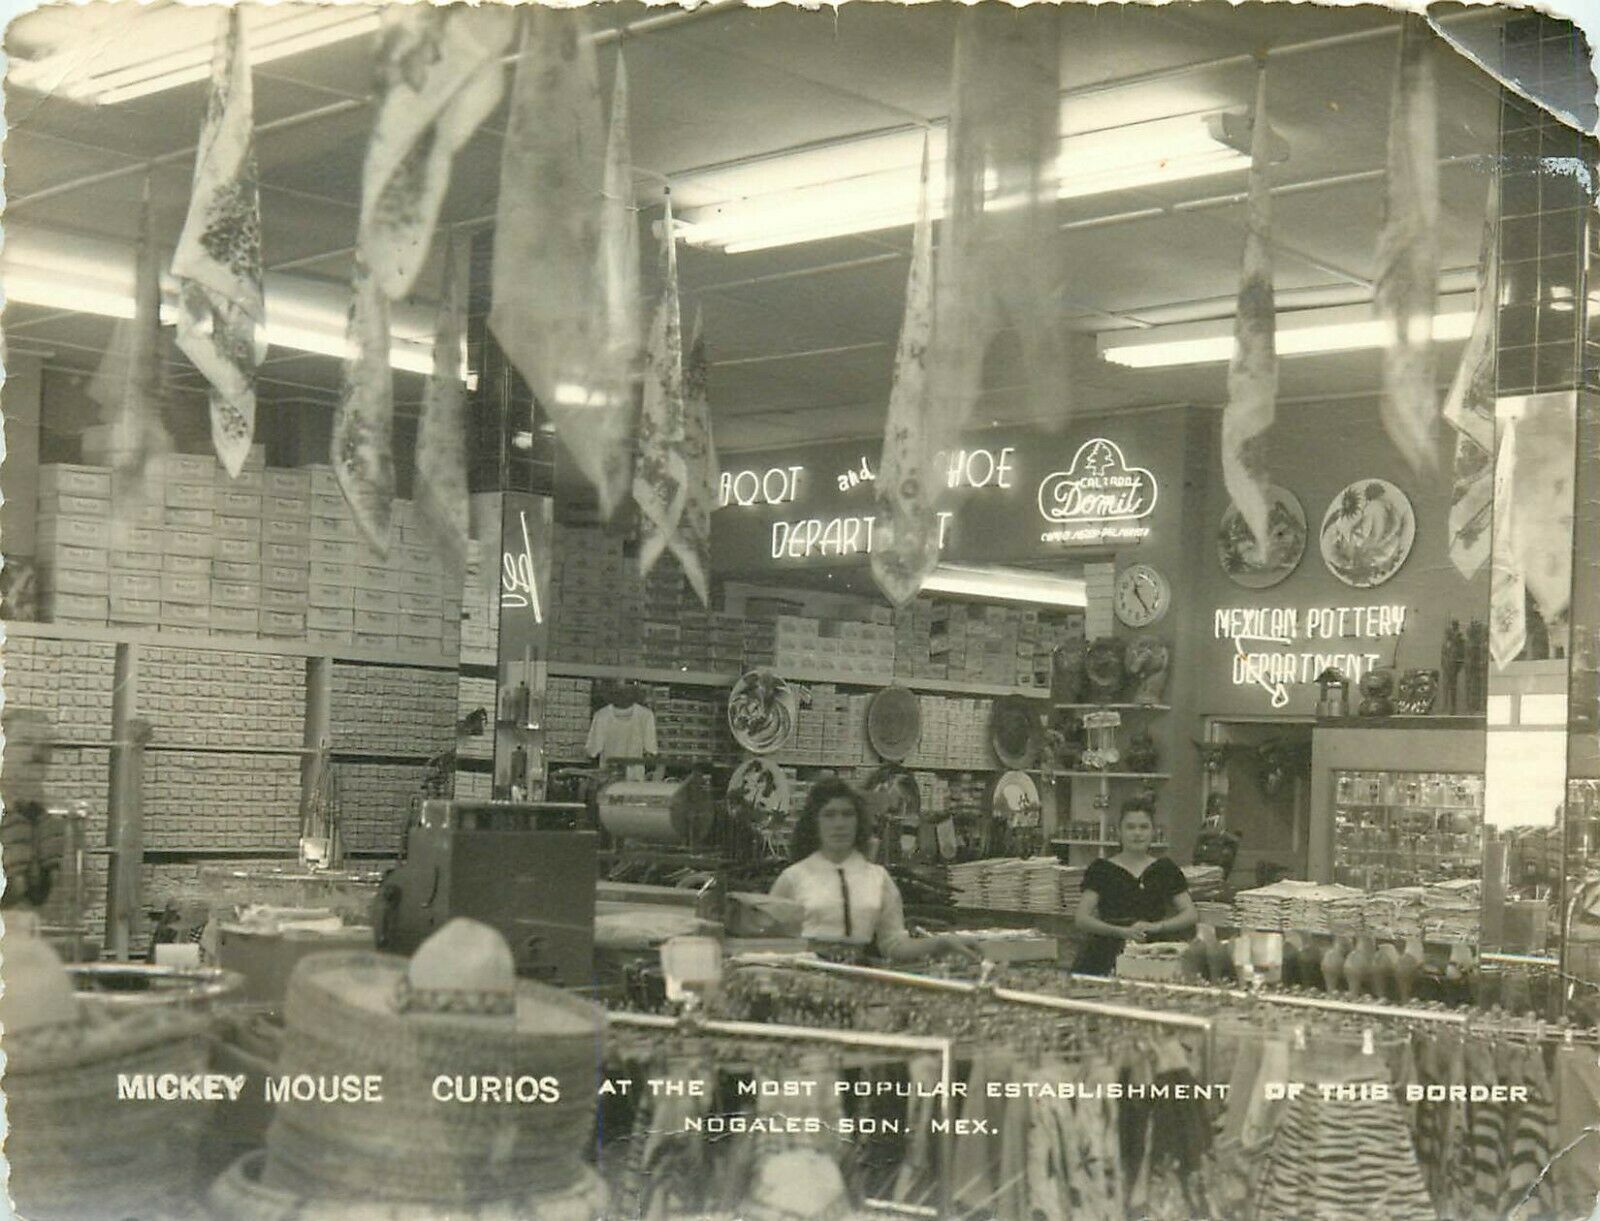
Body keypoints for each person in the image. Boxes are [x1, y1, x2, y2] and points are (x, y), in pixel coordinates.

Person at [771, 778, 981, 964]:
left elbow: (894, 945)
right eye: (829, 815)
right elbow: (770, 944)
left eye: (847, 814)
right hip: (804, 979)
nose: (839, 824)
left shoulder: (878, 879)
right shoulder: (793, 878)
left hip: (860, 980)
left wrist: (940, 943)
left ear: (858, 822)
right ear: (814, 823)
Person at [1072, 794, 1196, 975]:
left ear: (1153, 832)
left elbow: (1190, 914)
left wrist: (1157, 927)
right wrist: (1121, 932)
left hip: (1154, 952)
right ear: (1119, 832)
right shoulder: (1101, 869)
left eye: (1144, 827)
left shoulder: (1165, 869)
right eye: (1130, 827)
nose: (1137, 833)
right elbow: (1082, 918)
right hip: (1104, 953)